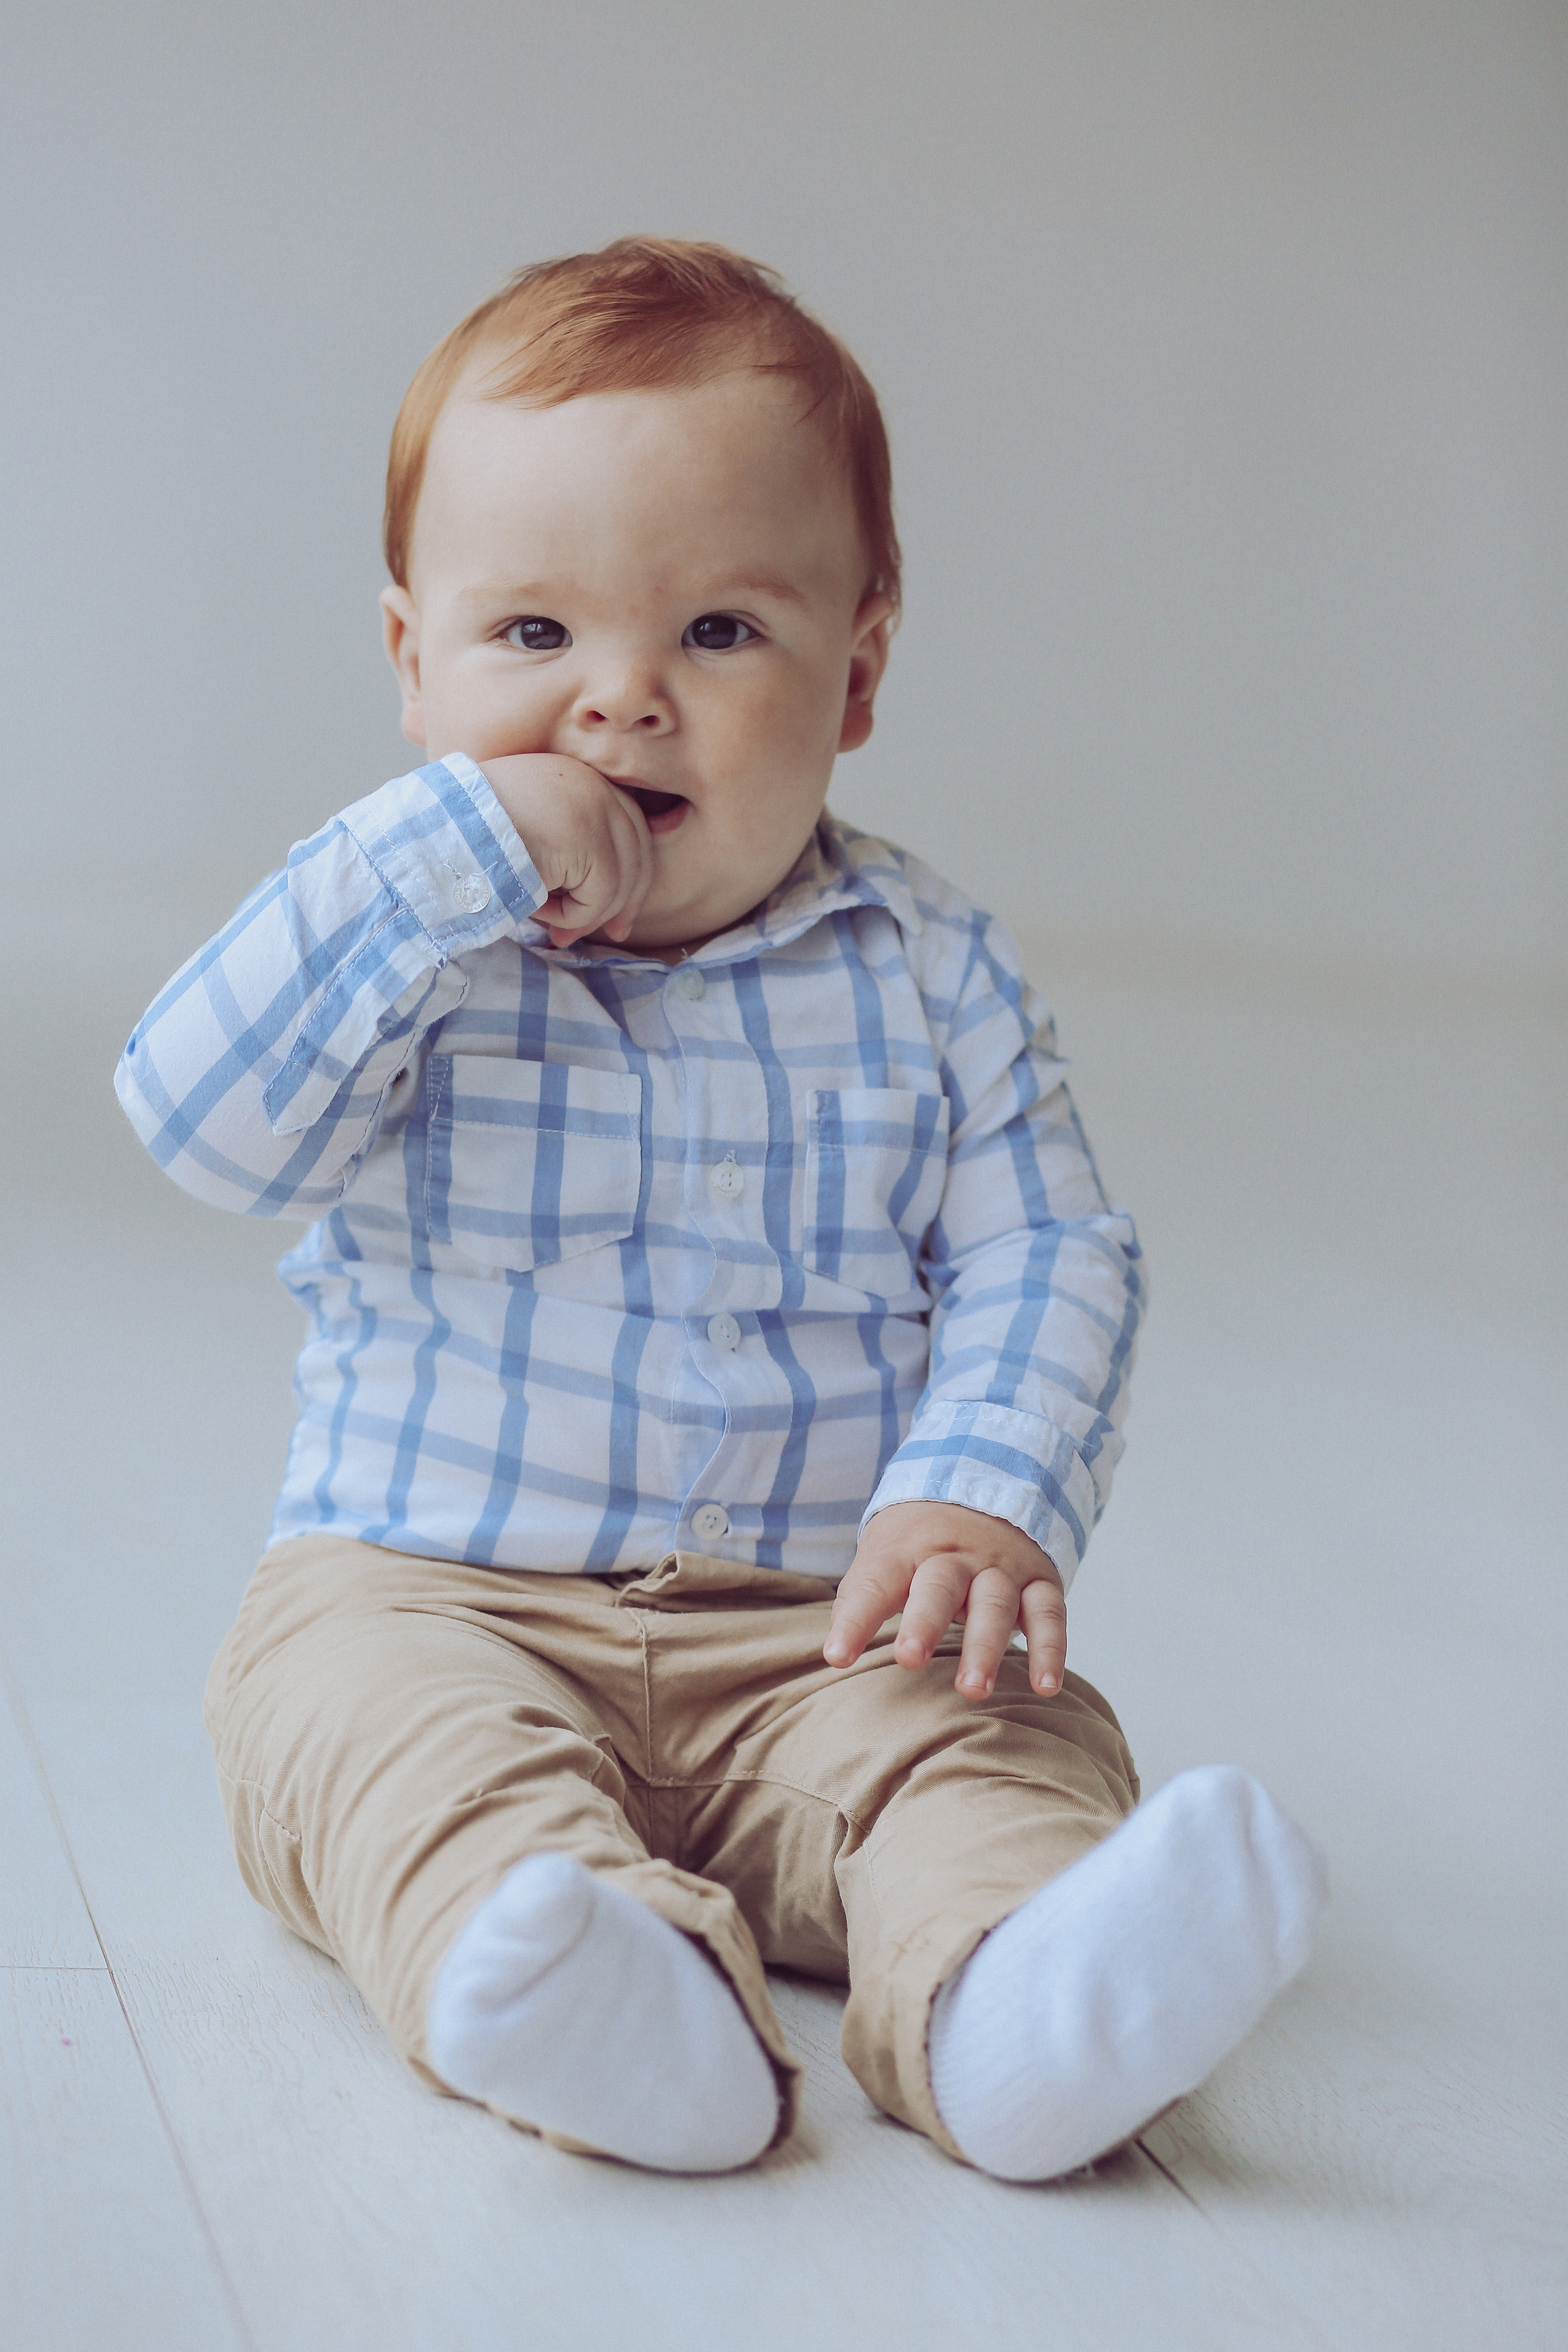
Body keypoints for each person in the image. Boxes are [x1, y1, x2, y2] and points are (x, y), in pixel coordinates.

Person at [116, 237, 1324, 2181]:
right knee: (380, 1748)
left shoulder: (932, 968)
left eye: (720, 634)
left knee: (990, 1748)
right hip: (437, 1590)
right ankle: (598, 2000)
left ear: (856, 674)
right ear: (410, 665)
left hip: (825, 1625)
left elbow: (1046, 1246)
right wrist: (444, 855)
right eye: (533, 639)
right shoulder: (400, 936)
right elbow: (199, 1121)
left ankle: (1014, 2004)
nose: (622, 704)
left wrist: (985, 1483)